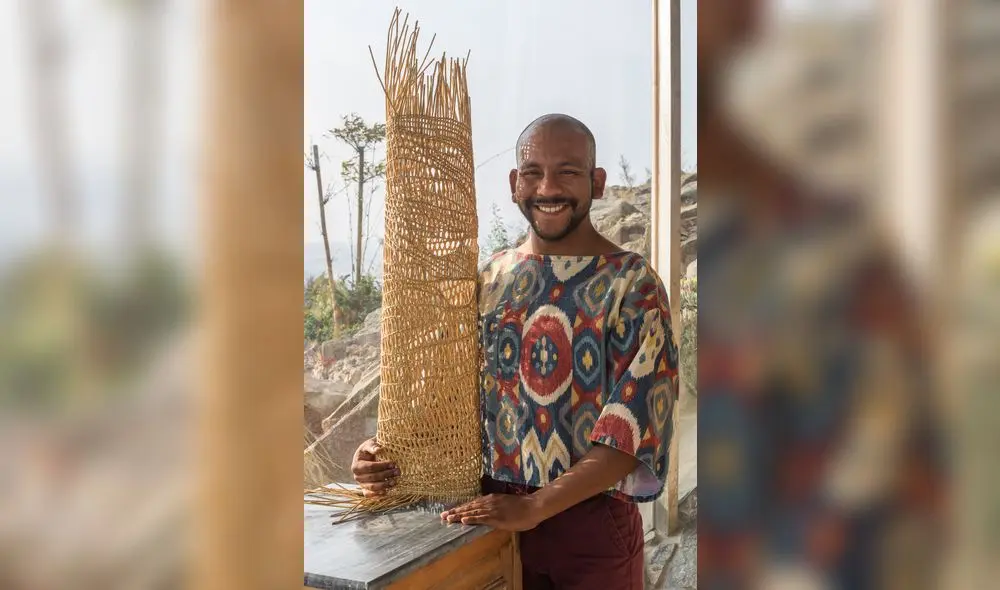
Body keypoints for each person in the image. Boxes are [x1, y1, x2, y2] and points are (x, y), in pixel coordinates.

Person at [351, 113, 678, 589]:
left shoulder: (632, 283)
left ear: (598, 182)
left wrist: (537, 506)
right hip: (489, 514)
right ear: (513, 183)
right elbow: (453, 399)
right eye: (532, 172)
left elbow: (633, 427)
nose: (548, 187)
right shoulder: (489, 279)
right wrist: (382, 451)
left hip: (588, 526)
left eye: (568, 171)